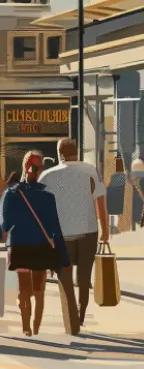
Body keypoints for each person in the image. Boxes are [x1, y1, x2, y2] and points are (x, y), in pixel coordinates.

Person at [39, 138, 109, 327]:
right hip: (88, 232)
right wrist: (105, 230)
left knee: (65, 278)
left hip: (62, 235)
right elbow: (100, 202)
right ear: (76, 151)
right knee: (84, 278)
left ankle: (72, 319)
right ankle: (81, 312)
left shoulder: (47, 176)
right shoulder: (90, 170)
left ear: (59, 154)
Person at [0, 151, 71, 337]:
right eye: (38, 168)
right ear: (37, 169)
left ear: (24, 168)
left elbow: (5, 225)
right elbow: (55, 228)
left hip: (19, 246)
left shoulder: (11, 194)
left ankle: (26, 327)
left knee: (24, 289)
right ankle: (36, 327)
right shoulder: (47, 197)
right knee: (39, 290)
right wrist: (63, 258)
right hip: (41, 247)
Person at [107, 154, 127, 235]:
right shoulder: (124, 176)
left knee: (113, 213)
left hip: (111, 196)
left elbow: (108, 185)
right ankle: (117, 227)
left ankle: (112, 226)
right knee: (118, 212)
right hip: (120, 196)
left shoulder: (111, 176)